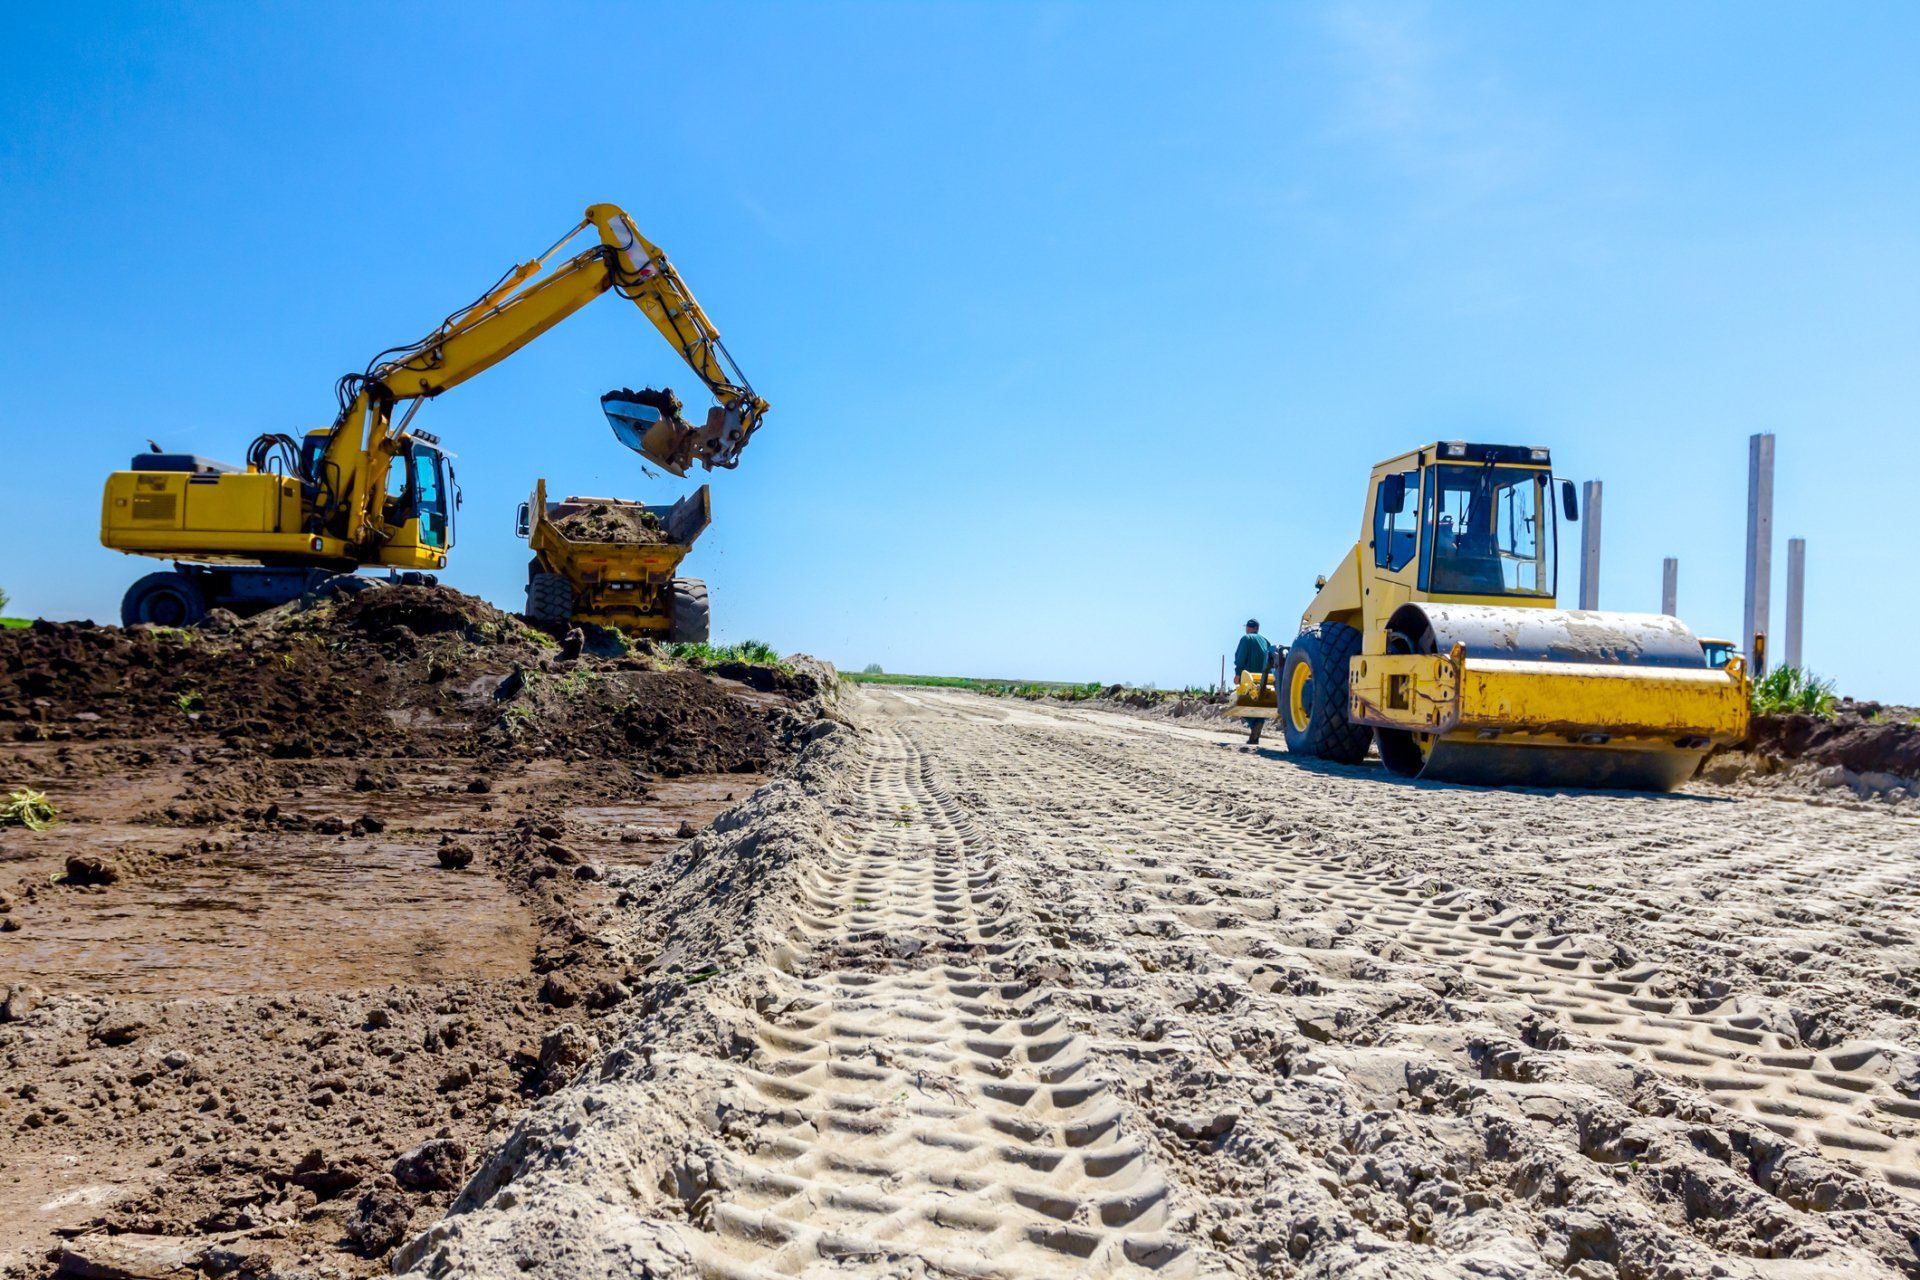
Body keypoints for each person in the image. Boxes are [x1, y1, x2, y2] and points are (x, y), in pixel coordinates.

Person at [1234, 620, 1275, 745]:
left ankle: (1254, 724)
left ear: (1248, 628)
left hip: (1248, 677)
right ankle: (1255, 733)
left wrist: (1238, 673)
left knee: (1242, 702)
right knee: (1260, 704)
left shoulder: (1246, 639)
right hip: (1264, 679)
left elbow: (1240, 658)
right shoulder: (1266, 641)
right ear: (1258, 628)